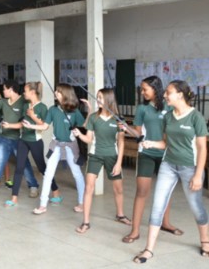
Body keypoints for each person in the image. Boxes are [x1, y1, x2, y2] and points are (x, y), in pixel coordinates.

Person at [132, 80, 208, 263]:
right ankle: (148, 249)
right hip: (168, 165)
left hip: (190, 167)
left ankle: (205, 241)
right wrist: (151, 143)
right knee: (157, 205)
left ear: (180, 95)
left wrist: (198, 175)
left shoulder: (195, 117)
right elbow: (166, 143)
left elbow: (202, 148)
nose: (164, 95)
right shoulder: (168, 117)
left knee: (196, 207)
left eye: (168, 92)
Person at [121, 76, 182, 243]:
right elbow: (138, 134)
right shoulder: (142, 108)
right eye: (141, 89)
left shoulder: (169, 108)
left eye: (144, 89)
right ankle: (135, 231)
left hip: (166, 155)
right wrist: (126, 128)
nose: (142, 92)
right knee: (141, 192)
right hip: (146, 154)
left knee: (165, 193)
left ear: (155, 89)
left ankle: (165, 223)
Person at [23, 83, 86, 215]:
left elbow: (84, 125)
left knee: (77, 174)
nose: (56, 93)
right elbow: (45, 126)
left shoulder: (74, 110)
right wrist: (30, 126)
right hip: (56, 145)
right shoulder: (53, 109)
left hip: (70, 146)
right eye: (56, 91)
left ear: (66, 94)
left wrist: (90, 111)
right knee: (48, 173)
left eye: (59, 91)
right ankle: (42, 205)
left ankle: (81, 202)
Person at [74, 88, 130, 234]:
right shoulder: (93, 118)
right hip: (95, 155)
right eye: (97, 97)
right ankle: (85, 222)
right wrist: (79, 134)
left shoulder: (118, 119)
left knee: (118, 189)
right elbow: (89, 139)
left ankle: (120, 215)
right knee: (89, 188)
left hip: (113, 156)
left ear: (109, 100)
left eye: (100, 97)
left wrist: (118, 163)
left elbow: (121, 143)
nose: (97, 100)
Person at [0, 80, 39, 199]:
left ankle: (33, 186)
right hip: (4, 138)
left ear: (10, 89)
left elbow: (23, 123)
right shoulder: (3, 102)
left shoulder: (24, 103)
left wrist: (10, 125)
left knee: (24, 163)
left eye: (4, 89)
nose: (2, 91)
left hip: (19, 139)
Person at [6, 82, 61, 207]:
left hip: (35, 141)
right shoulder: (26, 105)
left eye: (25, 91)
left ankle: (56, 191)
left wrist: (33, 116)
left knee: (42, 168)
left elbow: (43, 126)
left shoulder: (42, 107)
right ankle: (14, 198)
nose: (23, 93)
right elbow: (22, 124)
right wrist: (9, 125)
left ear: (32, 92)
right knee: (19, 168)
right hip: (23, 140)